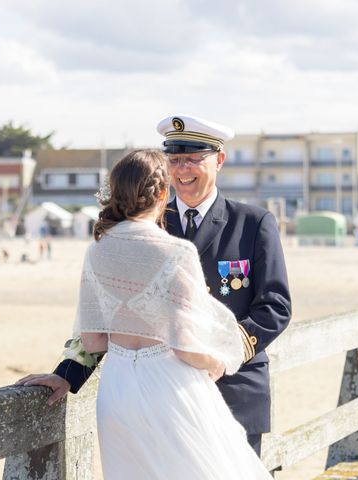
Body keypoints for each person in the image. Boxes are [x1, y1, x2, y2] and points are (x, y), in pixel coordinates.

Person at [17, 115, 292, 457]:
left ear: (219, 159)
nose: (182, 169)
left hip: (234, 390)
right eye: (174, 160)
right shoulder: (147, 221)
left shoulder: (252, 223)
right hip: (164, 397)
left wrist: (223, 355)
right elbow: (111, 309)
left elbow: (275, 307)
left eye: (194, 158)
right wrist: (67, 374)